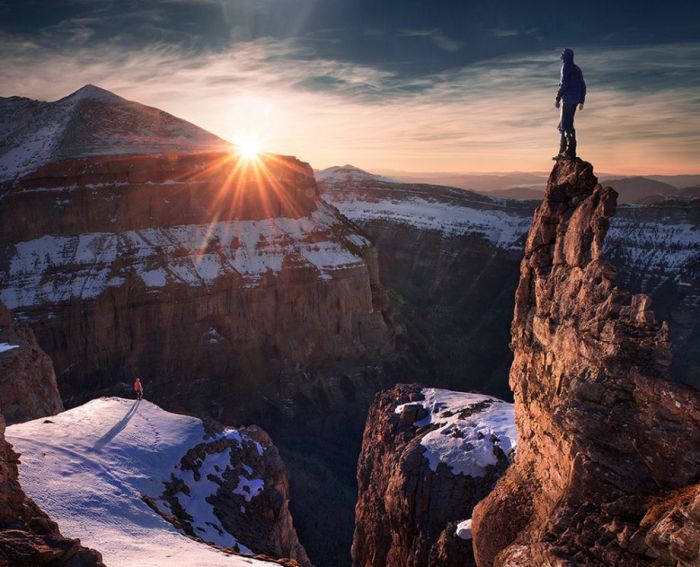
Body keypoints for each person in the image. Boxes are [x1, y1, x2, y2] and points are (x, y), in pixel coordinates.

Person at [554, 48, 586, 160]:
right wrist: (581, 101)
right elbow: (583, 86)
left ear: (565, 58)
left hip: (567, 100)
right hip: (575, 101)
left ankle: (569, 152)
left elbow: (564, 85)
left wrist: (557, 98)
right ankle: (562, 152)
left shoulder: (565, 67)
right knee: (565, 124)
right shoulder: (577, 69)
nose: (562, 60)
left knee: (566, 125)